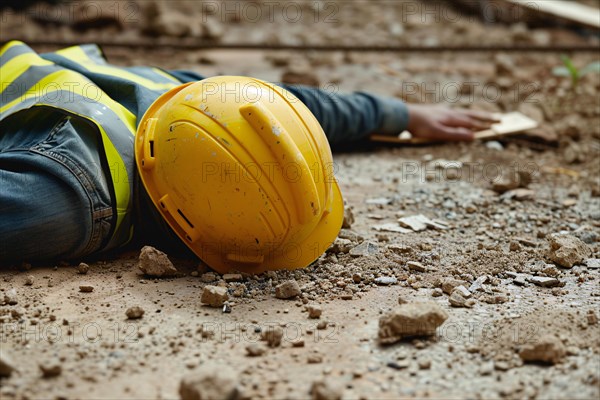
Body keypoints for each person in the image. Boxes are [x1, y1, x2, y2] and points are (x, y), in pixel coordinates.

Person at [0, 40, 496, 272]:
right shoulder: (64, 203)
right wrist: (396, 113)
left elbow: (296, 111)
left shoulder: (195, 106)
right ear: (183, 232)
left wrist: (399, 114)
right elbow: (300, 106)